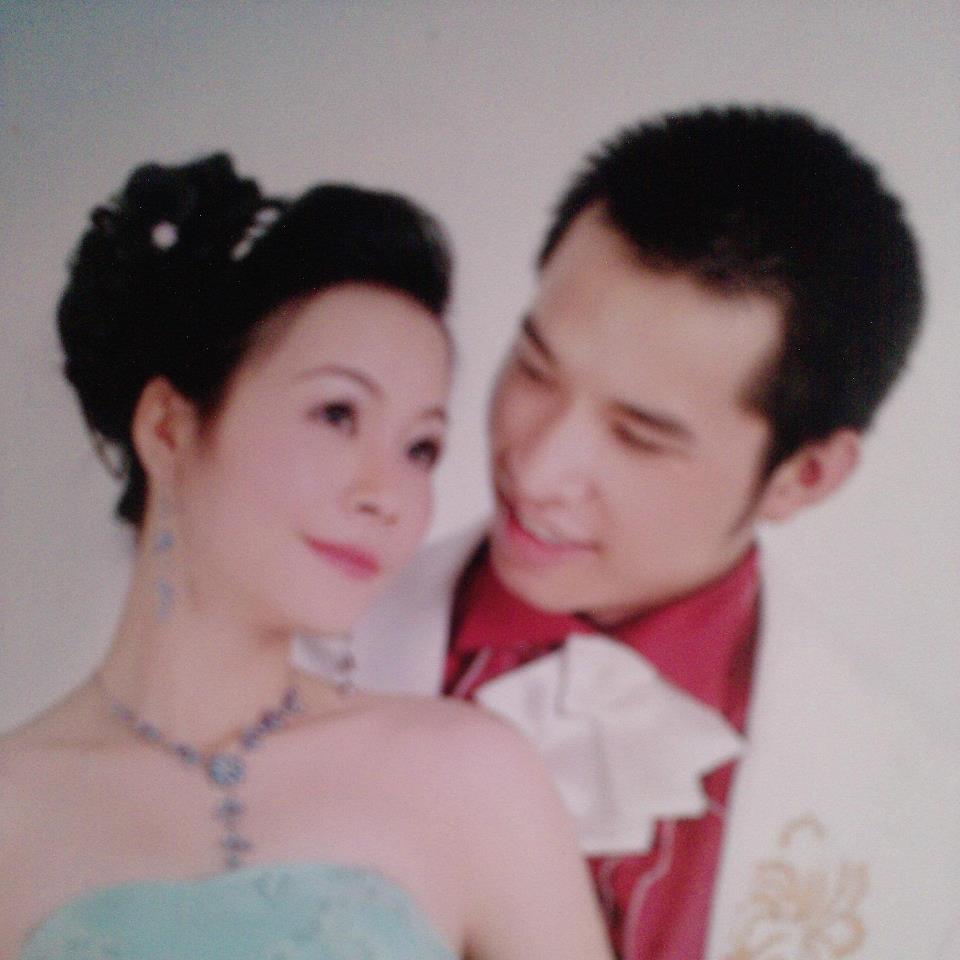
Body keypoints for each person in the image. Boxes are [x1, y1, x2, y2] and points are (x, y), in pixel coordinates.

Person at [298, 106, 960, 959]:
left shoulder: (917, 813)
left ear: (805, 476)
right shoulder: (288, 649)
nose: (536, 469)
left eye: (639, 437)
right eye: (535, 369)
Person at [0, 154, 612, 960]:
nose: (386, 494)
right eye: (336, 413)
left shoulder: (471, 776)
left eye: (420, 448)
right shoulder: (14, 812)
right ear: (169, 429)